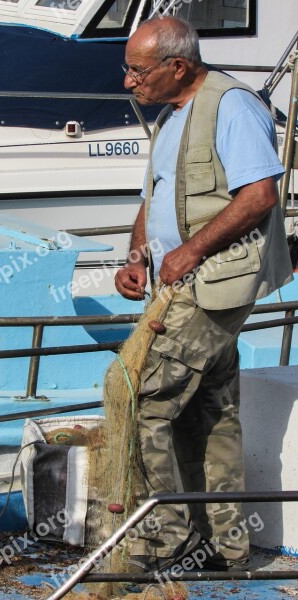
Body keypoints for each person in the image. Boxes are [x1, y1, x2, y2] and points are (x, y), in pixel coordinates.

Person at [115, 16, 293, 574]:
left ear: (178, 66)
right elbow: (159, 194)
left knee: (140, 400)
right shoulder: (171, 115)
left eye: (137, 70)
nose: (128, 82)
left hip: (210, 285)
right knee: (209, 414)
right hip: (176, 286)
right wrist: (137, 255)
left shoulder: (232, 106)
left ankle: (163, 544)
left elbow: (260, 194)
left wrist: (190, 252)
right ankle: (225, 547)